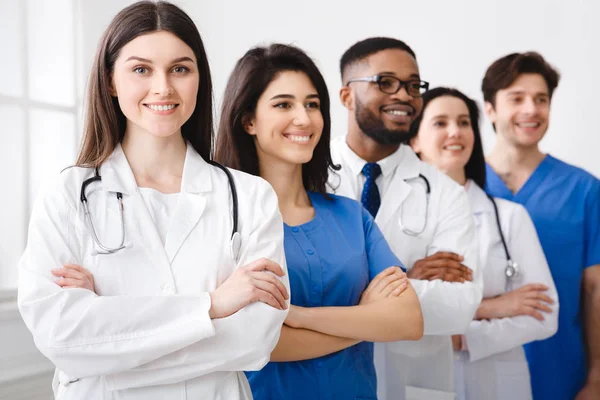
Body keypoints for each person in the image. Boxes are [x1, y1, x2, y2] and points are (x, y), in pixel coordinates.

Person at [17, 2, 290, 399]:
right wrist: (212, 305)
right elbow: (61, 336)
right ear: (111, 80)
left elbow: (254, 341)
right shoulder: (67, 196)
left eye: (180, 69)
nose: (163, 87)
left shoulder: (250, 198)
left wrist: (108, 331)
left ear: (199, 78)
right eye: (141, 69)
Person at [213, 43, 424, 400]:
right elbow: (257, 342)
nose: (304, 118)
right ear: (248, 120)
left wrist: (300, 316)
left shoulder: (350, 215)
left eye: (312, 104)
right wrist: (367, 319)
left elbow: (408, 320)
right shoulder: (223, 220)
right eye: (284, 104)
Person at [329, 36, 482, 400]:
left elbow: (460, 307)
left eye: (413, 86)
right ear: (347, 96)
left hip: (414, 384)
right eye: (386, 82)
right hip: (327, 376)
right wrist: (404, 279)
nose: (404, 95)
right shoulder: (308, 178)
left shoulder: (444, 192)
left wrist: (347, 291)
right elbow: (294, 293)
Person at [410, 86, 559, 400]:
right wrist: (492, 307)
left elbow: (545, 315)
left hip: (500, 384)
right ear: (414, 141)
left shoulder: (509, 217)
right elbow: (397, 309)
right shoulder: (397, 221)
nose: (456, 132)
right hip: (423, 384)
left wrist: (462, 337)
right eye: (440, 123)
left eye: (464, 122)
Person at [482, 52, 600, 400]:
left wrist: (597, 378)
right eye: (516, 98)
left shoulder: (583, 189)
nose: (531, 109)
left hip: (561, 372)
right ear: (490, 109)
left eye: (541, 99)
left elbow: (595, 290)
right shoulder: (462, 186)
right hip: (477, 368)